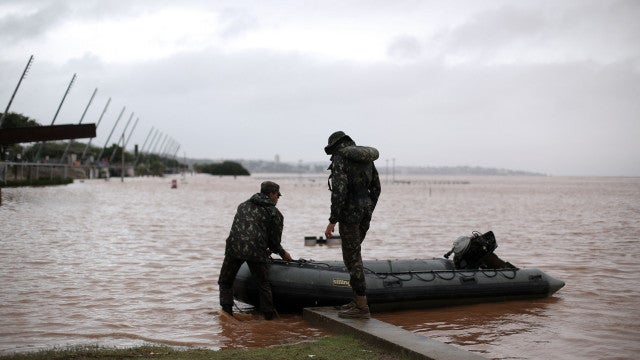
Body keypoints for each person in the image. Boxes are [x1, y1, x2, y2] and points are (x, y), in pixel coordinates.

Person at [324, 131, 381, 319]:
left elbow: (339, 192)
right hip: (365, 212)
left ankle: (362, 306)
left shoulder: (341, 159)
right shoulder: (365, 158)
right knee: (355, 254)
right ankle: (357, 300)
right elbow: (377, 188)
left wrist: (332, 220)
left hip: (349, 215)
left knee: (352, 258)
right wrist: (369, 208)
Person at [218, 181, 293, 320]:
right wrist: (283, 253)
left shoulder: (243, 206)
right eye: (277, 195)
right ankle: (269, 318)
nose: (278, 198)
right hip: (256, 251)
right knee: (263, 284)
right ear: (271, 194)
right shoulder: (275, 213)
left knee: (225, 281)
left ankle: (226, 314)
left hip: (233, 248)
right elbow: (275, 242)